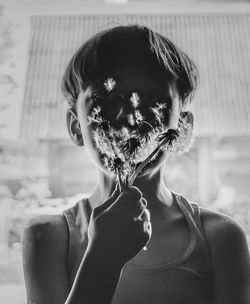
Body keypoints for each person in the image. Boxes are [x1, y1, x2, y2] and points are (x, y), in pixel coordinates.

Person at [22, 25, 250, 304]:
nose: (132, 116)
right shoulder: (49, 239)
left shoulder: (221, 239)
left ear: (183, 127)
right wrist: (102, 259)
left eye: (155, 101)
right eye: (106, 99)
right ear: (75, 127)